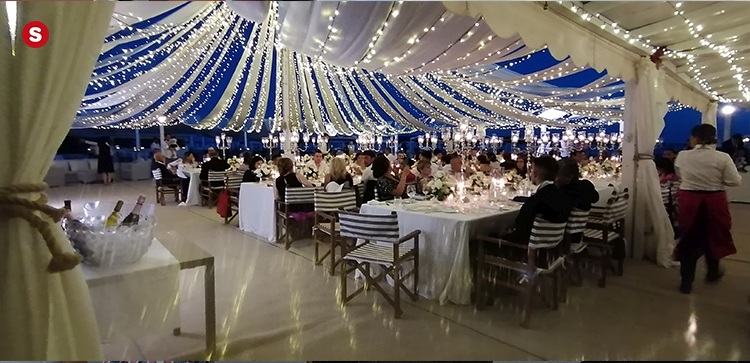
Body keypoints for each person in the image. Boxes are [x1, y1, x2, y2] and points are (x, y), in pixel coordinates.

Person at [674, 124, 741, 294]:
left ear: (696, 138)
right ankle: (712, 273)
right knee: (714, 236)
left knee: (689, 239)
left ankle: (686, 282)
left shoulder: (682, 155)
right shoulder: (722, 157)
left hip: (689, 200)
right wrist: (716, 181)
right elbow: (735, 181)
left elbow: (680, 174)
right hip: (714, 200)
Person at [502, 155, 572, 244]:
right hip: (554, 245)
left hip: (527, 249)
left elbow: (520, 225)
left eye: (531, 170)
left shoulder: (535, 201)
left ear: (535, 172)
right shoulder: (564, 195)